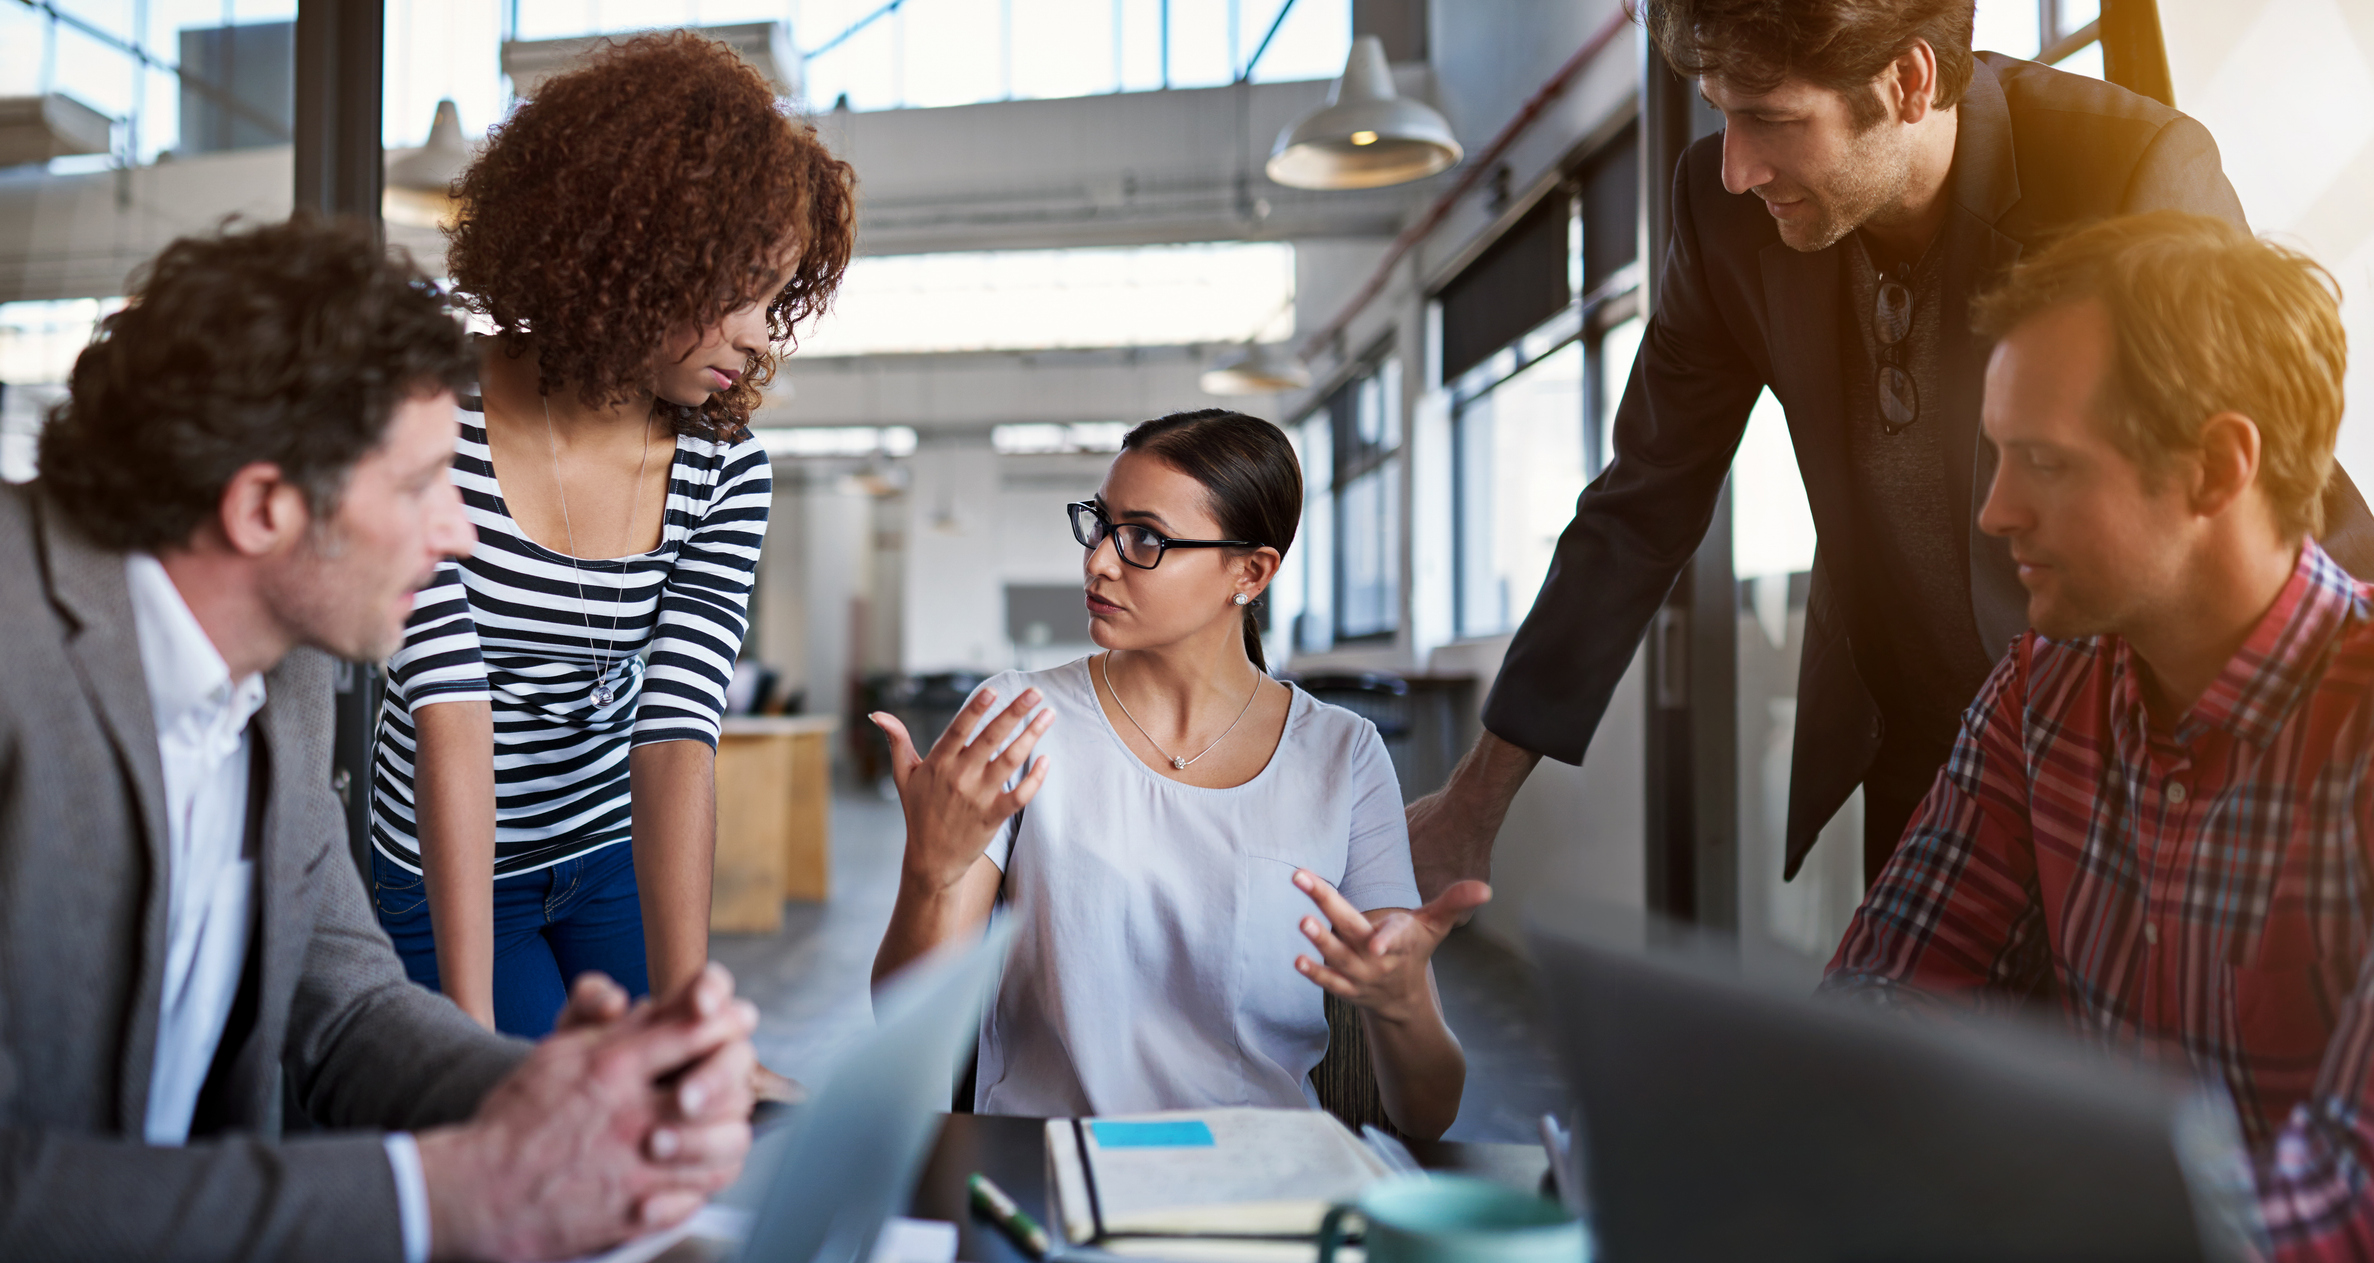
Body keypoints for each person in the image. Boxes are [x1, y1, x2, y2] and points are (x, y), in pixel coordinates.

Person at [1404, 0, 2374, 900]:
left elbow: (2257, 495)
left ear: (1908, 83)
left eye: (1774, 119)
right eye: (1719, 115)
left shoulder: (2125, 168)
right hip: (1924, 755)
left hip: (2135, 748)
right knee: (1907, 1058)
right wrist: (1472, 803)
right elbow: (1641, 500)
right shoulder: (1721, 211)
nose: (1736, 164)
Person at [1, 215, 759, 1261]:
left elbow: (348, 1005)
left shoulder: (291, 671)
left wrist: (543, 1095)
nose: (458, 531)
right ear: (265, 507)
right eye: (418, 488)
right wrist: (438, 1193)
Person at [1824, 212, 2374, 1257]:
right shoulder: (2048, 688)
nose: (1993, 512)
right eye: (1996, 457)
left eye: (2043, 462)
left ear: (2217, 468)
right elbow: (1887, 992)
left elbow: (2350, 1203)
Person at [368, 32, 855, 1043]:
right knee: (534, 1124)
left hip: (605, 854)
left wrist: (691, 1026)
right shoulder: (423, 414)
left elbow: (678, 731)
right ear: (629, 259)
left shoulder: (724, 468)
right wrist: (463, 1040)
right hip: (446, 861)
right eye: (740, 290)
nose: (762, 335)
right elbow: (448, 713)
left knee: (658, 1100)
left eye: (778, 299)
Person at [869, 411, 1489, 1138]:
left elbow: (1429, 1111)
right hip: (1048, 1168)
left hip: (1254, 1183)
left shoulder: (1341, 755)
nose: (1098, 560)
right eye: (1100, 524)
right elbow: (909, 1023)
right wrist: (930, 874)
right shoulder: (1018, 717)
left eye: (1144, 539)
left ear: (1250, 572)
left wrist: (1402, 1001)